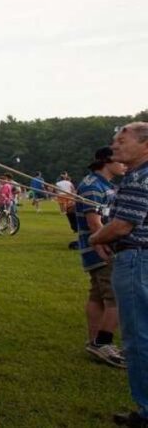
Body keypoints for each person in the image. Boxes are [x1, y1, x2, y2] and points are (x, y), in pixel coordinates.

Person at [89, 122, 148, 427]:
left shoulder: (140, 177)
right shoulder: (135, 175)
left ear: (145, 146)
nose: (114, 145)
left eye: (122, 140)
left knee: (138, 337)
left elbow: (124, 224)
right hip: (135, 257)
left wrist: (96, 238)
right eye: (114, 140)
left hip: (137, 261)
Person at [75, 146, 127, 368]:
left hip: (99, 249)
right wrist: (105, 245)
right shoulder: (92, 186)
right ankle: (102, 343)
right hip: (102, 249)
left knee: (97, 295)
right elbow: (94, 222)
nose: (124, 165)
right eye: (120, 161)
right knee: (115, 298)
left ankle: (95, 342)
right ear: (107, 161)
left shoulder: (105, 185)